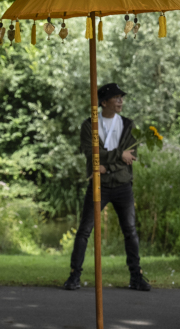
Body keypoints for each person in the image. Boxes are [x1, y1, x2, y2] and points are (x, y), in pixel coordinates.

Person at [64, 83, 151, 292]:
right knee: (84, 230)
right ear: (104, 102)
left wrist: (107, 166)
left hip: (123, 185)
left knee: (130, 230)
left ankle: (136, 277)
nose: (121, 101)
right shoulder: (89, 125)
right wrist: (118, 155)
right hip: (98, 185)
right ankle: (74, 276)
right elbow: (90, 153)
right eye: (116, 97)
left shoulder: (128, 124)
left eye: (122, 97)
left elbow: (132, 155)